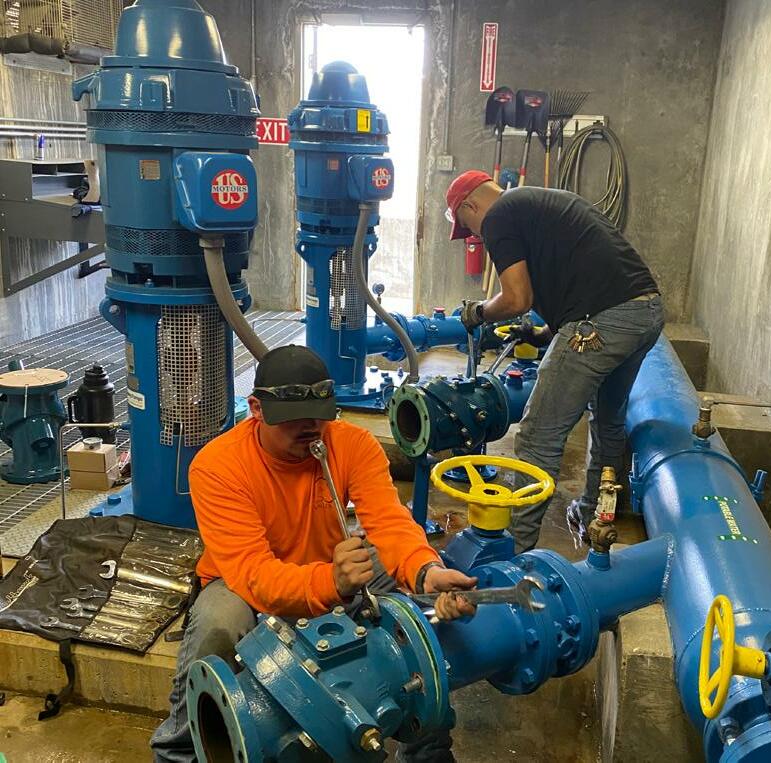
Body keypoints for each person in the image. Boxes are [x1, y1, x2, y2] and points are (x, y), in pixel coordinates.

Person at [151, 345, 476, 763]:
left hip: (329, 570)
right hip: (247, 586)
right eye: (293, 419)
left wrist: (425, 571)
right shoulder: (217, 466)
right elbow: (254, 574)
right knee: (219, 621)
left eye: (319, 416)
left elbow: (389, 522)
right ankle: (179, 748)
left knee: (415, 608)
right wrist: (332, 583)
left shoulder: (351, 444)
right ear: (256, 409)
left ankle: (426, 746)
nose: (310, 429)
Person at [446, 170, 664, 552]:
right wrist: (542, 333)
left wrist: (479, 312)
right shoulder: (540, 201)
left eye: (468, 227)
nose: (475, 236)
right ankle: (595, 515)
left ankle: (515, 550)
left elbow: (516, 299)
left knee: (537, 435)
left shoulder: (498, 216)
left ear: (470, 205)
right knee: (608, 422)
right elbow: (581, 276)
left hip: (601, 322)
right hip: (645, 312)